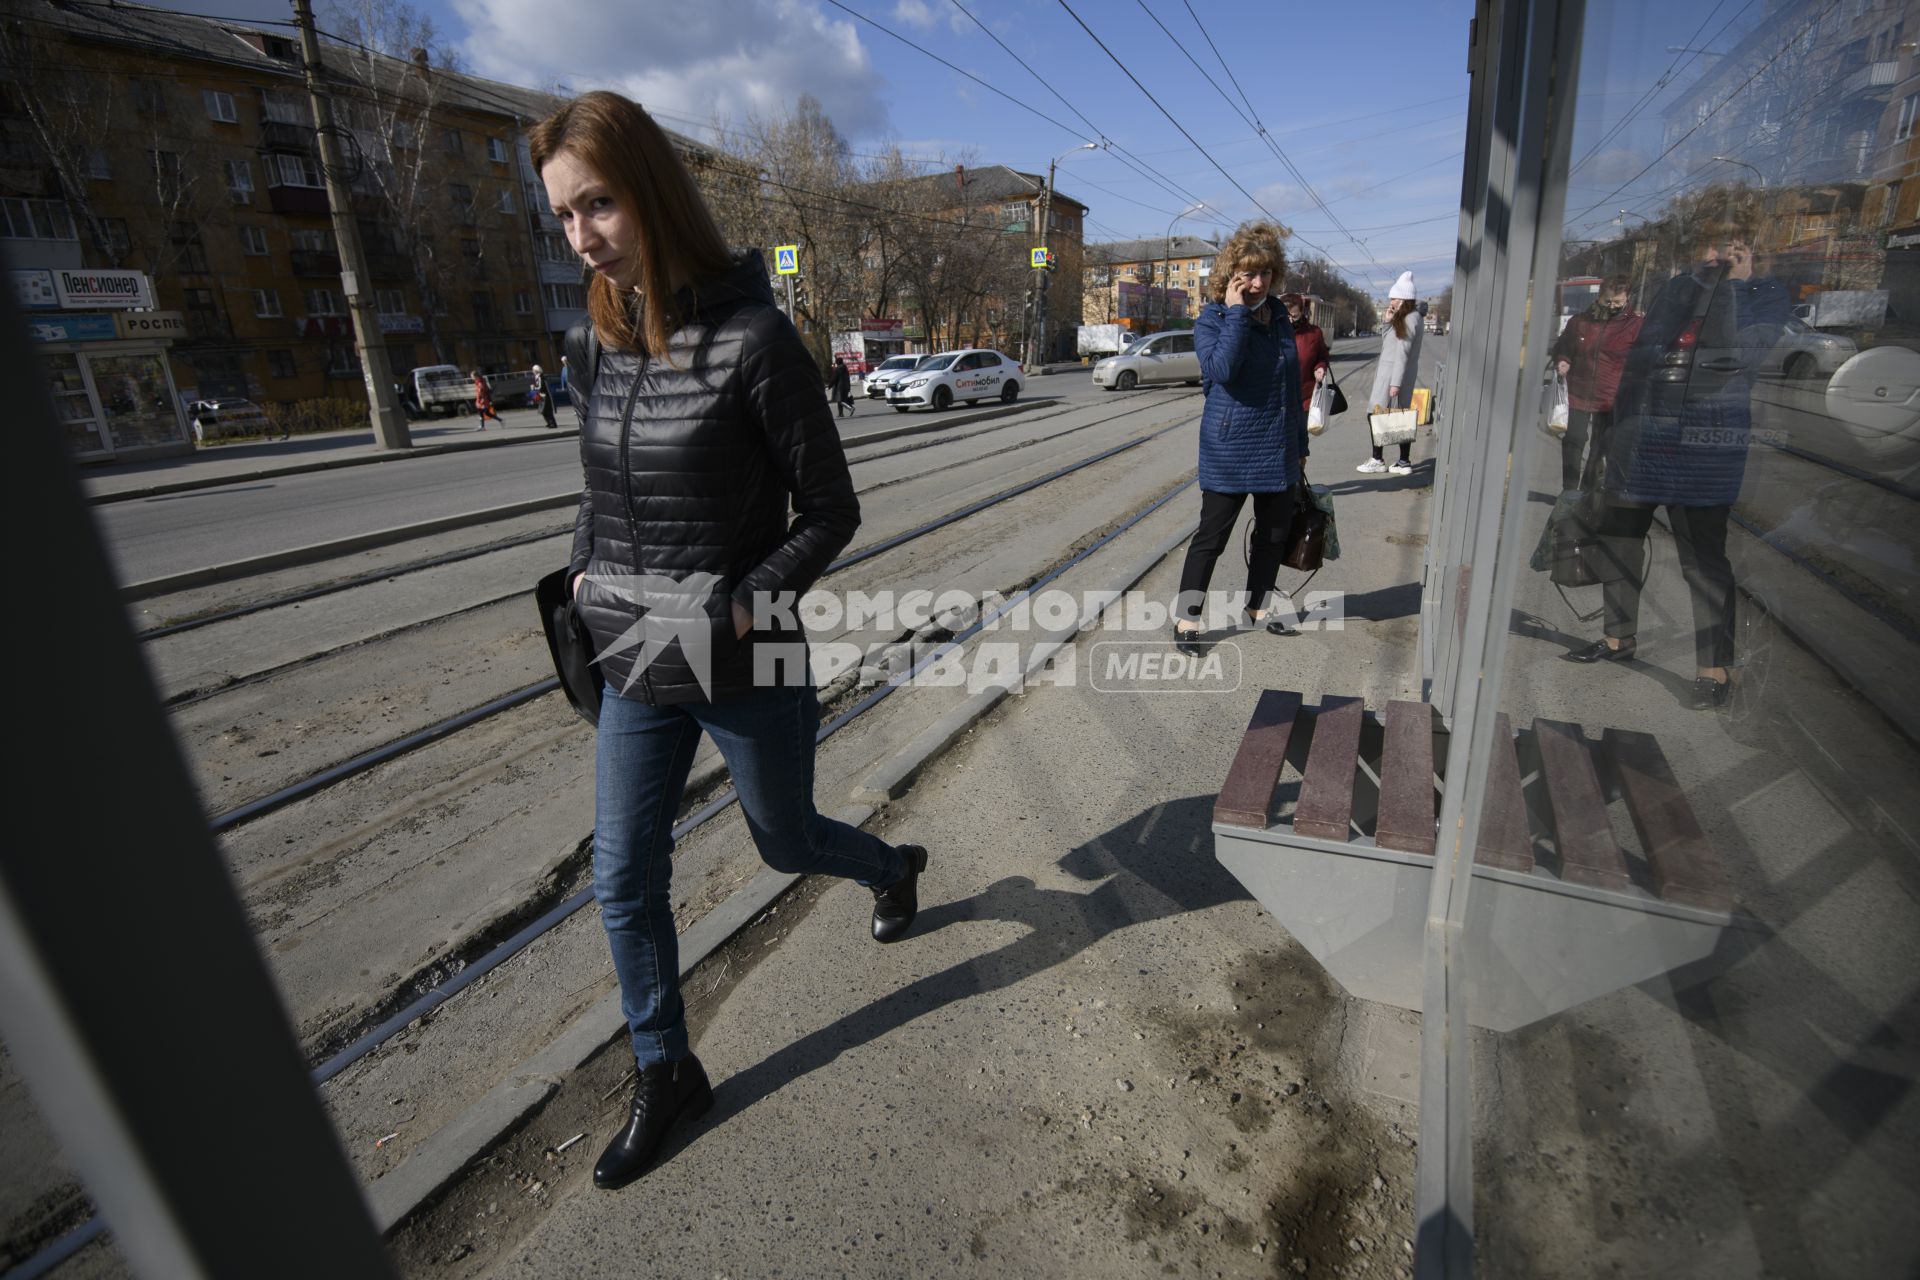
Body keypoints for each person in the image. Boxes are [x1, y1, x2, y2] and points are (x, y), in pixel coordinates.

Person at [531, 89, 930, 1191]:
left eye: (598, 204)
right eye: (564, 217)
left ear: (652, 190)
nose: (583, 238)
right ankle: (666, 1066)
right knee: (623, 874)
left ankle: (892, 864)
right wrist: (580, 559)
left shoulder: (757, 340)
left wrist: (748, 601)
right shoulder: (598, 337)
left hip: (744, 653)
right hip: (633, 657)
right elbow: (603, 489)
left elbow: (831, 511)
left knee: (786, 841)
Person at [1563, 221, 1783, 709]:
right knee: (1619, 542)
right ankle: (1619, 638)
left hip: (1706, 449)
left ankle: (1714, 667)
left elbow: (1734, 356)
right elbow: (1643, 357)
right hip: (1643, 442)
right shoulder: (1675, 291)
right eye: (1712, 245)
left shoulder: (1763, 296)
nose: (1720, 254)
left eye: (1736, 248)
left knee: (1703, 563)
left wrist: (1728, 288)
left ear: (1753, 255)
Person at [1173, 220, 1310, 655]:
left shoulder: (1282, 320)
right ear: (1230, 275)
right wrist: (1236, 313)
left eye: (1265, 273)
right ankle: (1186, 621)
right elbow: (1223, 371)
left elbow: (1291, 384)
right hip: (1229, 449)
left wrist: (1301, 446)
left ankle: (1258, 609)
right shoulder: (1212, 320)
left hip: (1278, 446)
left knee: (1272, 534)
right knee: (1211, 539)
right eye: (1248, 274)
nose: (1257, 283)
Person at [1551, 275, 1641, 492]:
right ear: (1599, 297)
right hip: (1578, 392)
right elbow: (1563, 347)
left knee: (1599, 449)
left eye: (1618, 303)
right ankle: (1570, 491)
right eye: (1608, 301)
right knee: (1573, 440)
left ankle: (1586, 492)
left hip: (1609, 397)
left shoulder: (1635, 326)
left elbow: (1641, 358)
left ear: (1627, 299)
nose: (1612, 307)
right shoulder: (1580, 322)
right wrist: (1563, 360)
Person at [1360, 271, 1423, 476]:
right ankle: (1402, 461)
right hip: (1395, 373)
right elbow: (1389, 342)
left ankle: (1380, 459)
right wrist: (1387, 322)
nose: (1391, 301)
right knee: (1399, 416)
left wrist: (1395, 383)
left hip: (1393, 375)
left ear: (1404, 298)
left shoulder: (1410, 319)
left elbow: (1402, 353)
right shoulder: (1407, 317)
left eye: (1394, 298)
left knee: (1376, 414)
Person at [1279, 290, 1332, 417]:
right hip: (1278, 400)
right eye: (1287, 317)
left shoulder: (1314, 333)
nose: (1290, 321)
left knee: (1301, 435)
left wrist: (1320, 367)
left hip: (1305, 399)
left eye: (1295, 316)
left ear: (1302, 313)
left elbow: (1322, 356)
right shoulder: (1273, 333)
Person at [531, 362, 559, 429]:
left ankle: (552, 424)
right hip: (542, 396)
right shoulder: (538, 377)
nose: (533, 372)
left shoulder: (540, 377)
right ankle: (549, 423)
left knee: (547, 411)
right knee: (544, 411)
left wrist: (534, 387)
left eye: (533, 370)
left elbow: (541, 387)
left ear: (536, 370)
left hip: (545, 397)